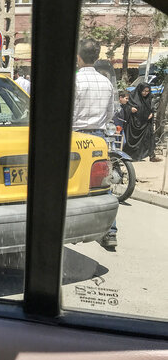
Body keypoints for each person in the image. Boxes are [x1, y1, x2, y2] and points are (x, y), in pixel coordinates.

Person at [72, 39, 117, 248]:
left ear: (79, 57)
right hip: (98, 138)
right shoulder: (106, 82)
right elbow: (110, 114)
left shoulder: (75, 81)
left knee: (69, 182)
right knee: (102, 184)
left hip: (75, 136)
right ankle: (110, 232)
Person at [123, 82, 161, 162]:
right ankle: (131, 157)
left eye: (147, 91)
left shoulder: (149, 97)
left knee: (149, 137)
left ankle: (152, 156)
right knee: (133, 141)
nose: (145, 93)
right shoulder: (133, 96)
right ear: (140, 90)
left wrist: (152, 113)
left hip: (146, 122)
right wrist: (130, 109)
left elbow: (151, 108)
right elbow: (125, 106)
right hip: (134, 123)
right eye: (144, 91)